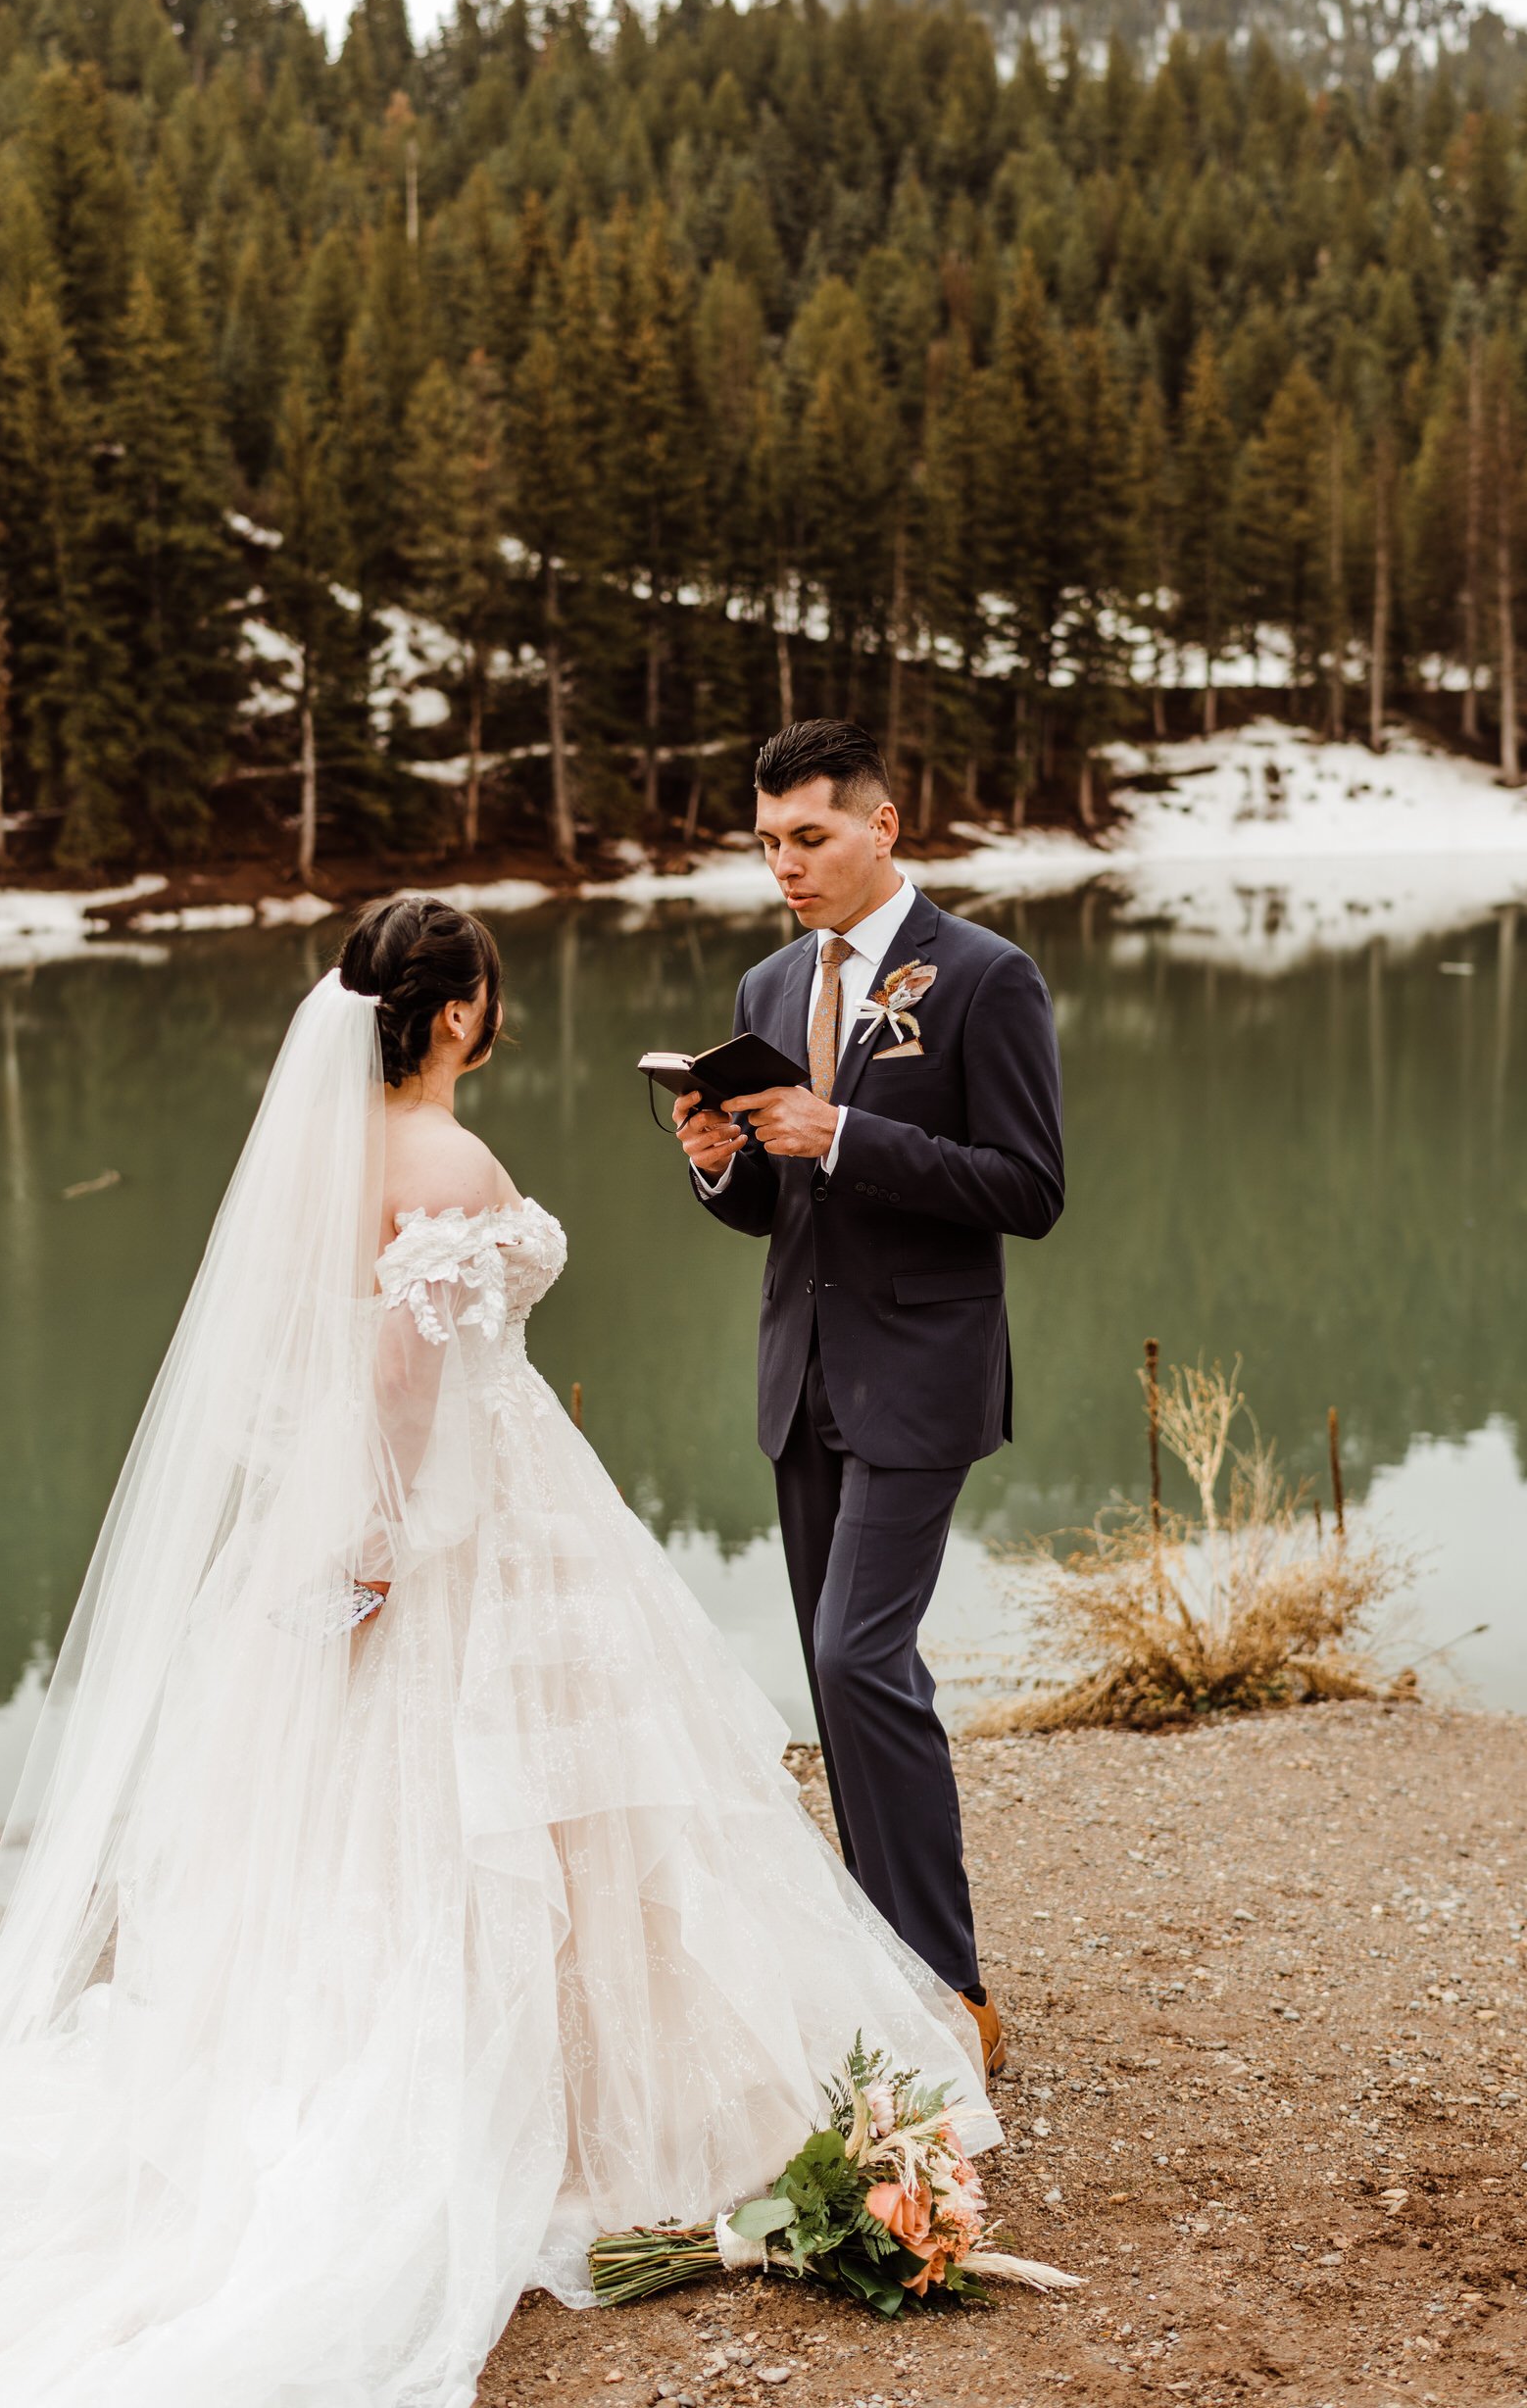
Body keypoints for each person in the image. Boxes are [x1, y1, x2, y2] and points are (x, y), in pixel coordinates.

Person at [0, 895, 997, 2408]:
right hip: (462, 1511)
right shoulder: (447, 1158)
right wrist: (385, 1549)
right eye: (486, 992)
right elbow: (407, 1377)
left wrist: (331, 1532)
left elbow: (314, 1365)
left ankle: (416, 2064)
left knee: (377, 1810)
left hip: (365, 1502)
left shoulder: (327, 1164)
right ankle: (552, 2106)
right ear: (461, 1011)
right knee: (527, 1801)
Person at [674, 720, 1064, 2080]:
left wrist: (844, 1131)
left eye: (811, 838)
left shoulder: (984, 977)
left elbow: (1028, 1189)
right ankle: (886, 1977)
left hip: (923, 1377)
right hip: (802, 1377)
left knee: (857, 1658)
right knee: (845, 1684)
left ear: (884, 827)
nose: (787, 864)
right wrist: (722, 1163)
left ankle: (951, 1994)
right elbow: (779, 1216)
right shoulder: (768, 986)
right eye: (769, 842)